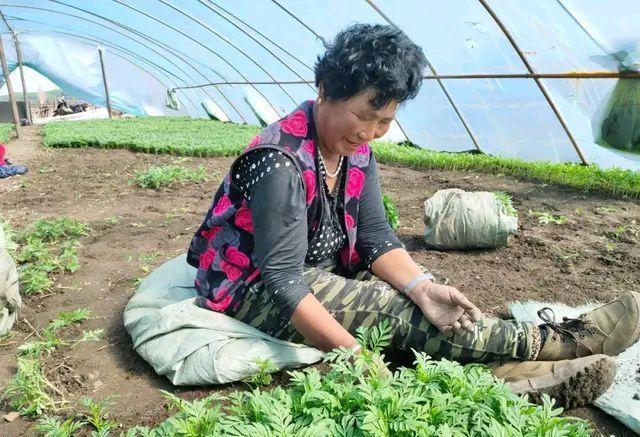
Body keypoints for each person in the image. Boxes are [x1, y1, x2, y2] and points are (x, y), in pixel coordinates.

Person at [188, 24, 639, 407]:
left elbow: (376, 238)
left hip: (318, 271)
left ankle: (511, 375)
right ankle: (559, 340)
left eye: (385, 121)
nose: (373, 133)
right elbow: (284, 280)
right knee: (394, 313)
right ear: (325, 91)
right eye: (365, 115)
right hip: (255, 288)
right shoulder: (280, 162)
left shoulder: (355, 151)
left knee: (431, 301)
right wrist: (354, 355)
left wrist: (422, 286)